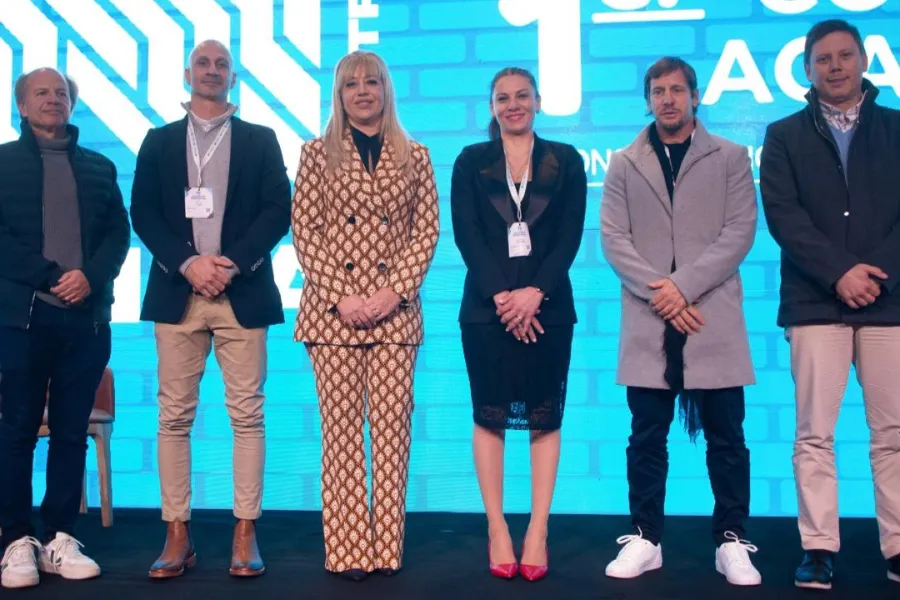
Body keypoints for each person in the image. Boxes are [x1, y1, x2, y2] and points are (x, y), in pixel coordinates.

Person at [130, 40, 291, 579]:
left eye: (222, 64)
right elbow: (144, 213)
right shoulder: (158, 142)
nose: (212, 70)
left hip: (239, 292)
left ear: (233, 78)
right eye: (204, 63)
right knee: (173, 417)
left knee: (247, 415)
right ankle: (177, 531)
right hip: (178, 294)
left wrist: (230, 263)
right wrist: (187, 264)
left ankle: (245, 530)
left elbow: (277, 210)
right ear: (187, 74)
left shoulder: (259, 139)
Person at [600, 56, 761, 586]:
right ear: (647, 99)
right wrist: (663, 294)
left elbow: (739, 232)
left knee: (727, 437)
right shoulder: (623, 162)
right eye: (657, 91)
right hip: (650, 318)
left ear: (694, 96)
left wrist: (683, 287)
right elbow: (614, 240)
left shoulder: (732, 157)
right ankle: (646, 537)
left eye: (676, 90)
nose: (667, 99)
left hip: (709, 315)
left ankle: (731, 540)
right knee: (646, 435)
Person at [760, 19, 900, 590]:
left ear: (865, 60)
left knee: (893, 433)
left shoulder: (896, 129)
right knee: (813, 435)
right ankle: (818, 547)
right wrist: (839, 271)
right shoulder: (783, 134)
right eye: (823, 59)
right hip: (814, 301)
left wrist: (872, 275)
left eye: (845, 56)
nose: (835, 67)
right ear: (807, 68)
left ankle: (897, 546)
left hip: (889, 299)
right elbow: (783, 215)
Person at [291, 50, 439, 581]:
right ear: (339, 93)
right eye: (351, 83)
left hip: (395, 317)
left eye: (371, 81)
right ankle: (349, 550)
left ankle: (386, 550)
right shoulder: (315, 154)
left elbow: (426, 232)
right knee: (342, 435)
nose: (362, 91)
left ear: (386, 88)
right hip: (333, 316)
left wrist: (392, 293)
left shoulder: (416, 154)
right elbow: (305, 232)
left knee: (393, 433)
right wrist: (343, 297)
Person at [450, 67, 586, 582]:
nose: (513, 105)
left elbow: (570, 234)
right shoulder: (470, 161)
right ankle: (497, 527)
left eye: (521, 96)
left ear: (537, 101)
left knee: (544, 415)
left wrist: (534, 294)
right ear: (492, 106)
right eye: (503, 98)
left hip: (547, 307)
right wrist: (505, 297)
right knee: (490, 416)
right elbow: (466, 233)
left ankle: (537, 529)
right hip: (487, 309)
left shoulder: (566, 160)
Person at [0, 68, 130, 589]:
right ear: (22, 106)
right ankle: (15, 540)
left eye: (62, 93)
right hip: (21, 318)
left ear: (72, 105)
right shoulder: (3, 164)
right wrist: (52, 278)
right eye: (42, 93)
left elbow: (117, 236)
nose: (54, 100)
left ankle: (59, 536)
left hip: (87, 319)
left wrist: (89, 278)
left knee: (72, 434)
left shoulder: (99, 166)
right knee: (17, 432)